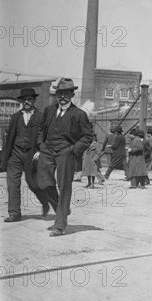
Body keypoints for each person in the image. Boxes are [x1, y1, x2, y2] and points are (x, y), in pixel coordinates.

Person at [35, 78, 94, 237]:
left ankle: (59, 225)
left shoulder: (79, 114)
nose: (62, 96)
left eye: (66, 93)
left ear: (72, 94)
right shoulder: (49, 110)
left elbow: (88, 136)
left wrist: (73, 150)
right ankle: (63, 209)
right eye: (60, 93)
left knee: (64, 187)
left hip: (65, 152)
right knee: (43, 183)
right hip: (47, 150)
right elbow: (41, 129)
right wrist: (40, 145)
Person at [0, 88, 53, 222]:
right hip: (15, 155)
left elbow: (46, 136)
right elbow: (9, 138)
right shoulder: (15, 117)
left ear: (34, 100)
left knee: (33, 183)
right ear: (22, 101)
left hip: (32, 155)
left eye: (29, 99)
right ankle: (15, 213)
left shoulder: (41, 117)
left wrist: (40, 151)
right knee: (13, 184)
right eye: (25, 100)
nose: (27, 102)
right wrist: (5, 158)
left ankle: (45, 200)